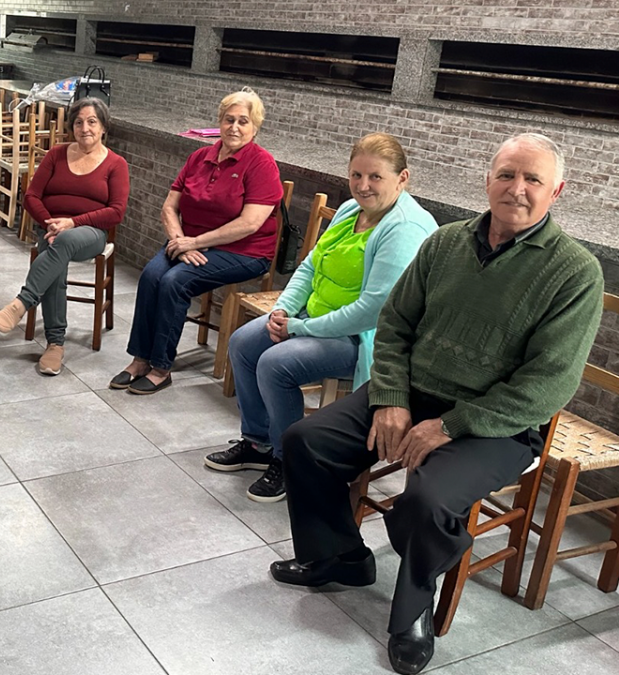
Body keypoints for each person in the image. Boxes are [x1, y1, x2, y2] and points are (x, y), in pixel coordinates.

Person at [271, 133, 603, 674]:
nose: (516, 189)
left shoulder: (574, 271)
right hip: (413, 392)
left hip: (498, 424)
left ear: (556, 191)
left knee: (425, 502)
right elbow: (395, 325)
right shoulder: (446, 242)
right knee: (305, 442)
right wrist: (392, 399)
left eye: (533, 179)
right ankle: (341, 557)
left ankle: (412, 610)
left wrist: (448, 426)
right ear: (488, 180)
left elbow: (547, 384)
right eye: (506, 175)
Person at [205, 133, 437, 503]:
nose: (363, 185)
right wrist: (283, 309)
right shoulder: (350, 211)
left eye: (375, 177)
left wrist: (298, 327)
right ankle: (258, 442)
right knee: (243, 343)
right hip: (314, 317)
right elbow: (310, 266)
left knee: (276, 364)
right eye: (356, 175)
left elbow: (372, 311)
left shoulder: (405, 228)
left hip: (369, 339)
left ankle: (289, 461)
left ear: (402, 178)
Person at [110, 88, 283, 394]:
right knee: (151, 275)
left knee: (175, 281)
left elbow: (250, 223)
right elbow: (169, 207)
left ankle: (161, 368)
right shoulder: (200, 157)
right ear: (219, 122)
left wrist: (195, 242)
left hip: (244, 251)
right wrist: (179, 240)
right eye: (229, 119)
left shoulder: (262, 164)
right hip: (189, 241)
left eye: (243, 121)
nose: (234, 127)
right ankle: (140, 359)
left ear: (255, 127)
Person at [0, 97, 130, 374]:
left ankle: (22, 304)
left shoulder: (116, 164)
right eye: (79, 122)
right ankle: (54, 345)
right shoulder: (56, 154)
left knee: (61, 243)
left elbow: (116, 212)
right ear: (71, 127)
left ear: (103, 127)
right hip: (52, 230)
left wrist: (72, 223)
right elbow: (31, 196)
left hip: (90, 233)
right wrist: (51, 225)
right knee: (56, 251)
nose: (85, 128)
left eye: (92, 122)